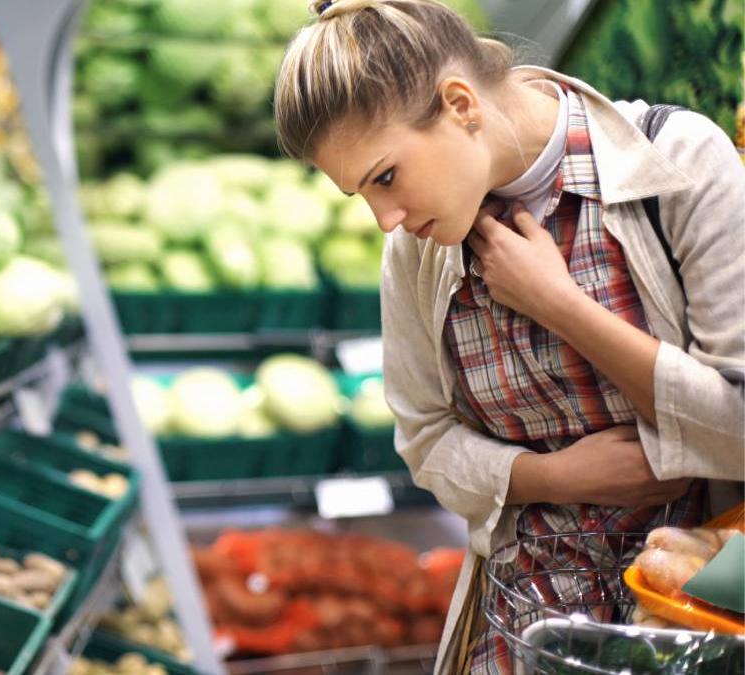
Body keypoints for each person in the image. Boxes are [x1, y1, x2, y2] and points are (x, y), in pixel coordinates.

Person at [272, 0, 745, 672]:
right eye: (363, 195)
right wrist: (552, 475)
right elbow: (426, 438)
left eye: (385, 177)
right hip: (511, 636)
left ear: (461, 103)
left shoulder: (681, 164)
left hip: (686, 634)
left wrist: (560, 305)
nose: (386, 219)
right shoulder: (417, 250)